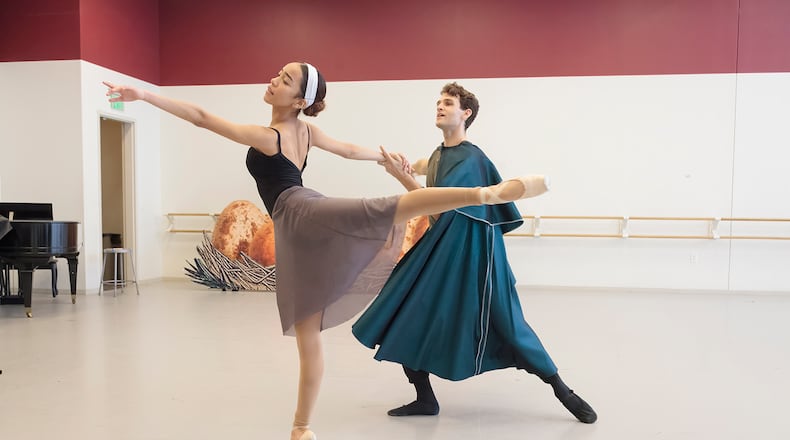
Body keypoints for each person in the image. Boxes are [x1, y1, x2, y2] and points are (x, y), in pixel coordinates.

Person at [103, 64, 551, 440]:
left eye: (285, 79)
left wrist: (142, 93)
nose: (274, 80)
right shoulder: (304, 130)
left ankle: (482, 195)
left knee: (380, 209)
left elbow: (201, 115)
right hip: (295, 227)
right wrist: (383, 157)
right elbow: (350, 149)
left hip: (299, 210)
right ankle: (302, 428)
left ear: (299, 100)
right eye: (278, 74)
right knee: (308, 329)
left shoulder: (268, 136)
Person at [352, 82, 597, 424]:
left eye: (448, 103)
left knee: (507, 324)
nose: (440, 107)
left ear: (465, 113)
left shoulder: (472, 158)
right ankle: (424, 398)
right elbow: (431, 193)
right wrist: (405, 169)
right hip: (443, 246)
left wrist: (401, 176)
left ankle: (562, 389)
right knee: (408, 310)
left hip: (474, 255)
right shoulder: (440, 154)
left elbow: (436, 206)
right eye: (438, 102)